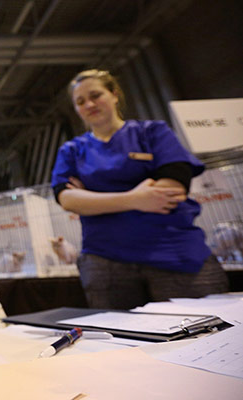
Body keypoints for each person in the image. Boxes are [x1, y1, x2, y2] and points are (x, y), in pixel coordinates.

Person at [51, 69, 229, 309]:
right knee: (122, 342)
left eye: (96, 95)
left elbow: (172, 188)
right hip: (105, 262)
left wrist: (93, 198)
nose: (89, 104)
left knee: (203, 335)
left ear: (114, 94)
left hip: (175, 254)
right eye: (80, 102)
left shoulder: (153, 133)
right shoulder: (71, 150)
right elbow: (68, 199)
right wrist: (136, 198)